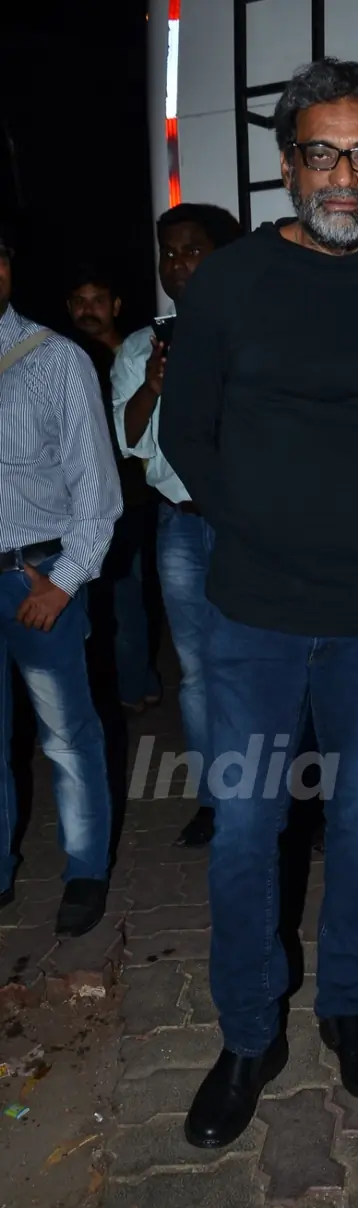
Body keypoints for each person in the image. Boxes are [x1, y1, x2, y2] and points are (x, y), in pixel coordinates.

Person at [158, 58, 358, 1149]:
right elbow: (183, 431)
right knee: (246, 826)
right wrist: (256, 526)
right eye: (319, 153)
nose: (342, 176)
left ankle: (346, 1005)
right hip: (249, 611)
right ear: (286, 163)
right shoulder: (230, 284)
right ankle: (249, 1031)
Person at [0, 223, 122, 936]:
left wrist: (64, 579)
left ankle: (85, 869)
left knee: (67, 738)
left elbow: (97, 491)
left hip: (35, 578)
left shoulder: (56, 361)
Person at [112, 204, 241, 847]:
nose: (177, 264)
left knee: (266, 659)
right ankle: (216, 800)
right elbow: (130, 441)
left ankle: (289, 798)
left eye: (192, 251)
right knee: (197, 671)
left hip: (248, 521)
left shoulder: (252, 330)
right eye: (169, 253)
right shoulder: (141, 346)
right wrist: (155, 386)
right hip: (182, 526)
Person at [66, 267, 161, 713]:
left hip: (131, 498)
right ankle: (121, 684)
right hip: (74, 501)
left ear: (116, 306)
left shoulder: (140, 353)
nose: (89, 309)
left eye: (98, 299)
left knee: (127, 594)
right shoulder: (59, 357)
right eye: (80, 301)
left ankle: (133, 686)